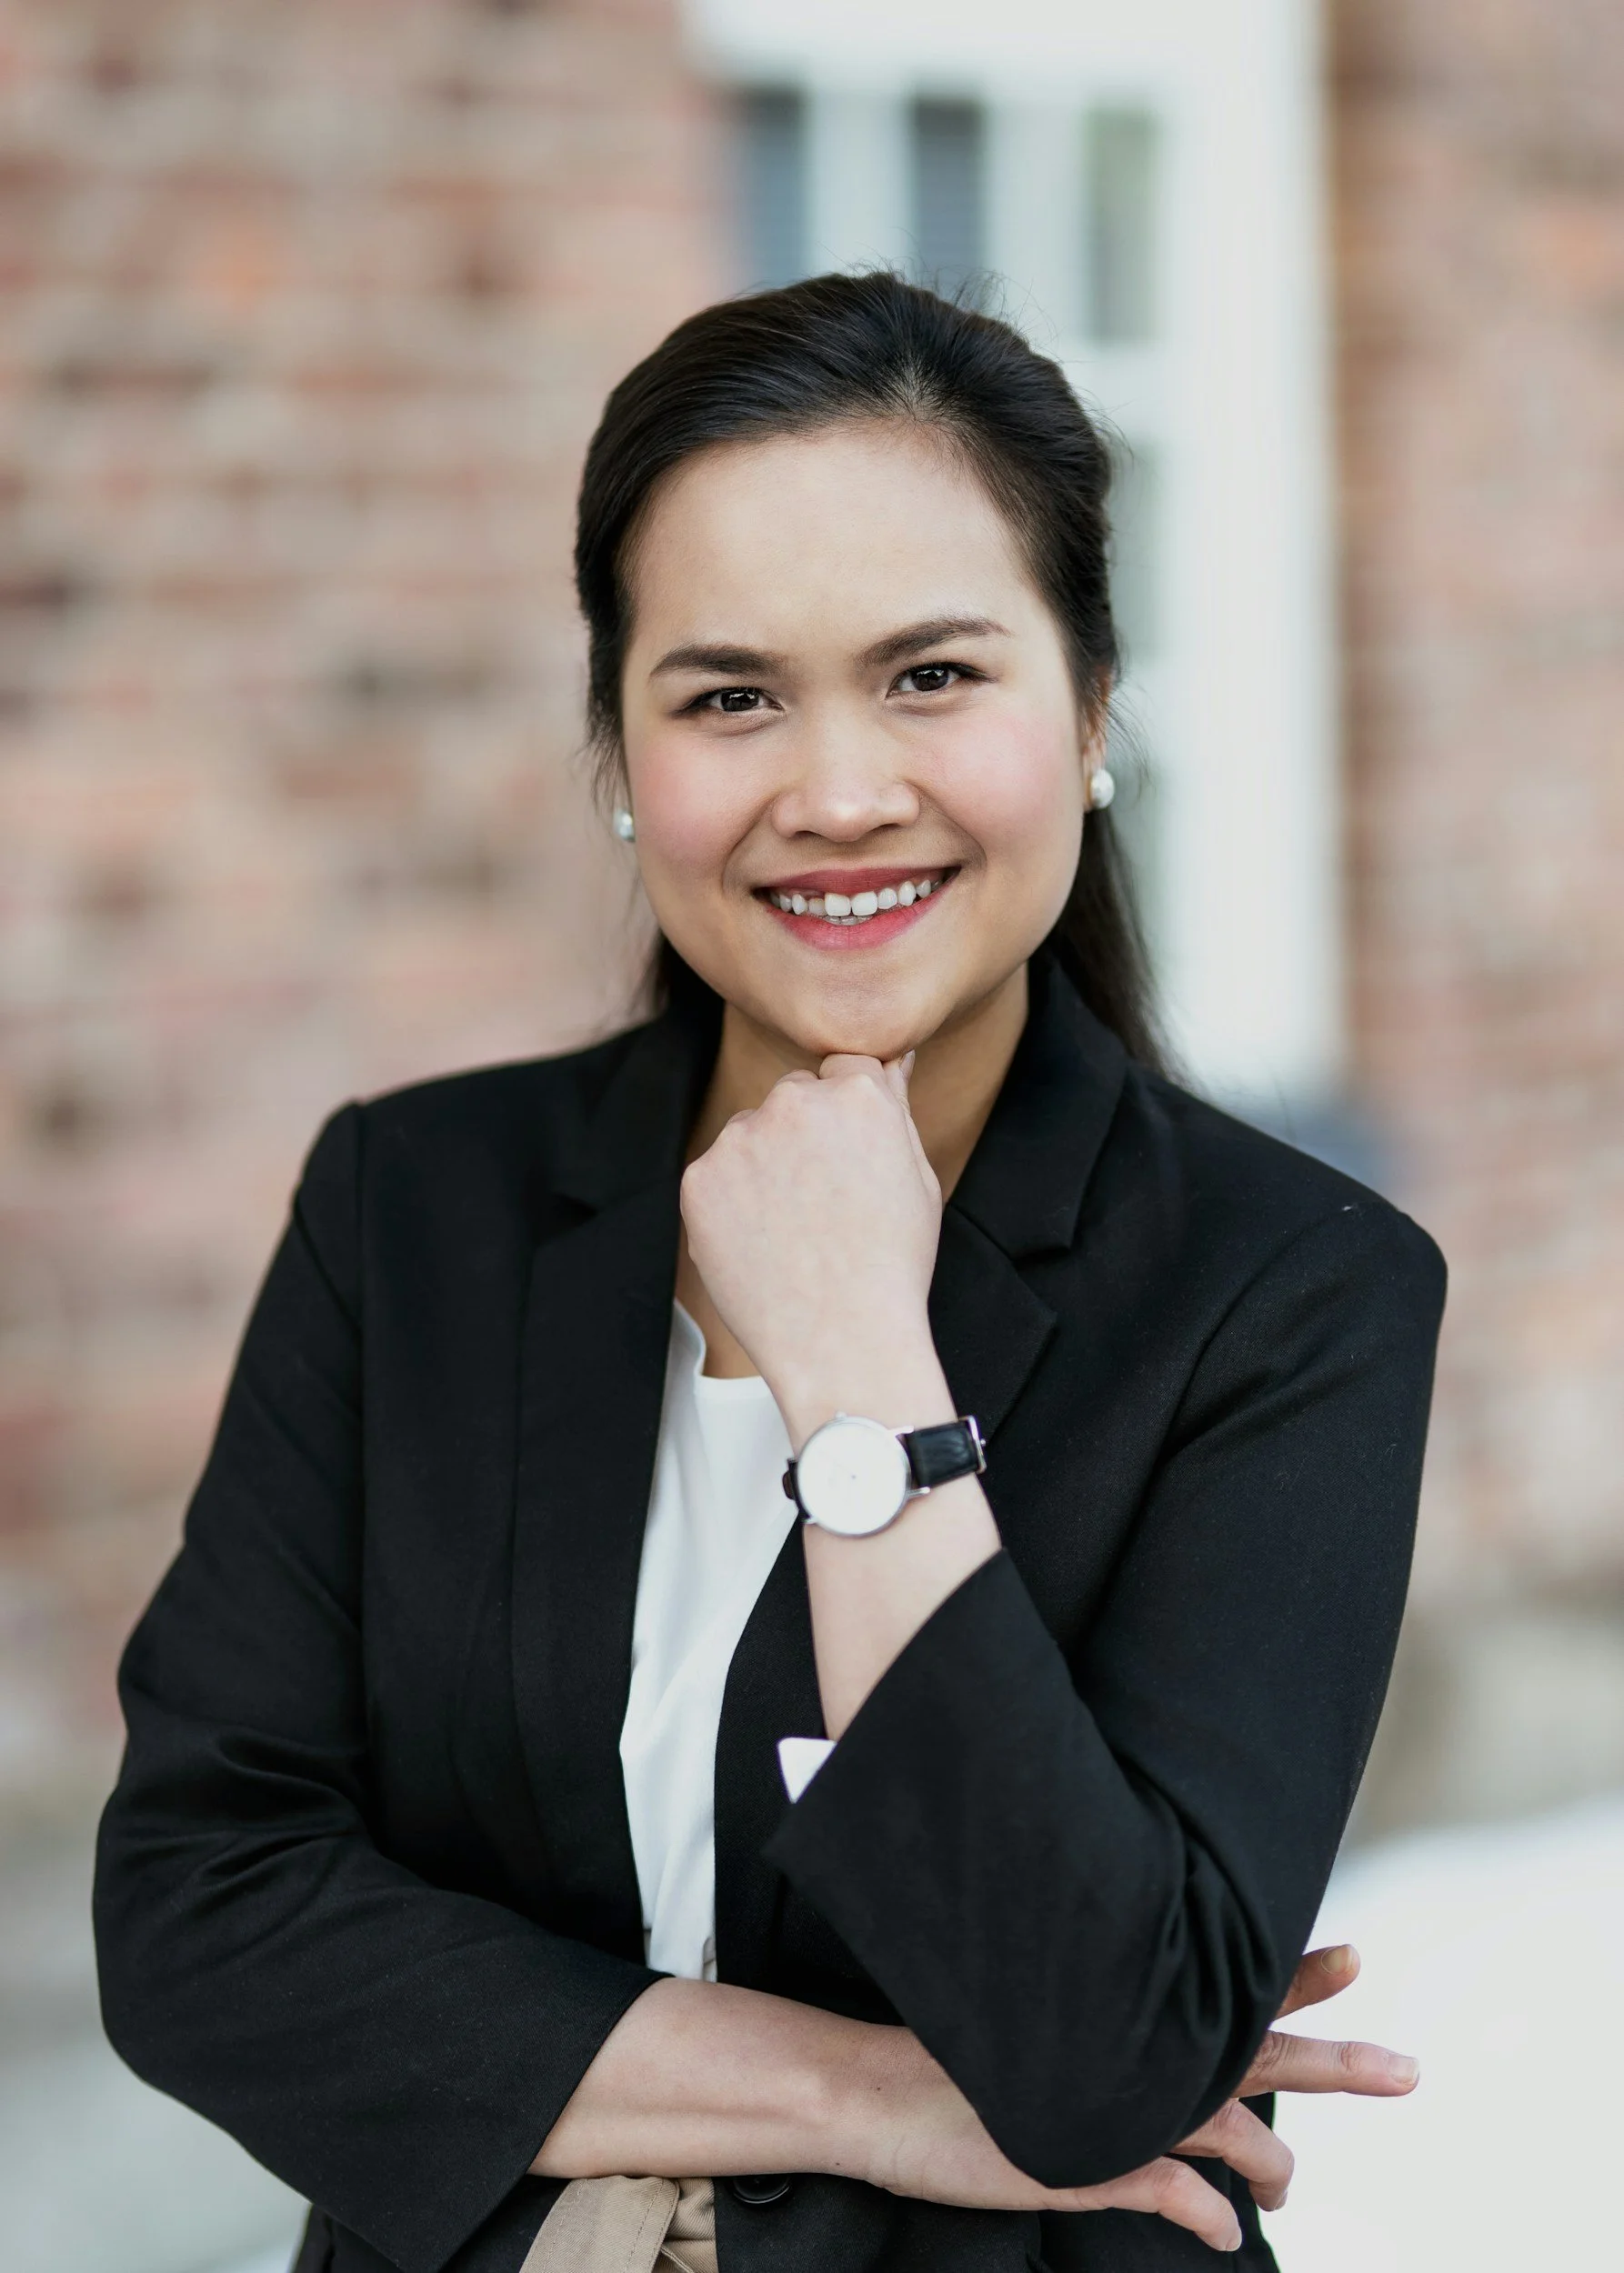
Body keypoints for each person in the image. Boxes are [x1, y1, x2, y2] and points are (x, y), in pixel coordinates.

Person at [93, 273, 1445, 2273]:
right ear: (622, 752)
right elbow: (203, 1909)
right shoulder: (415, 1206)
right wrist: (873, 2093)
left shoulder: (1286, 1286)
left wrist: (858, 1384)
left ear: (1085, 714)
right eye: (728, 693)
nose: (832, 790)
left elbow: (1094, 2047)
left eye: (930, 675)